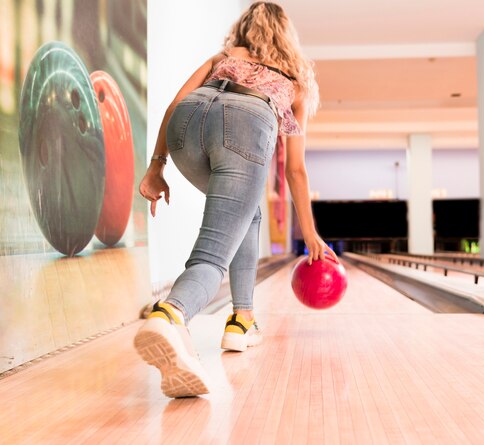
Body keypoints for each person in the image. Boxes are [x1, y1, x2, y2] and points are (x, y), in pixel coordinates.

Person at [133, 2, 337, 398]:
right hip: (245, 126)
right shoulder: (293, 81)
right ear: (286, 35)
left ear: (244, 29)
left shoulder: (225, 56)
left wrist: (156, 167)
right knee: (212, 256)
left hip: (187, 126)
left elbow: (176, 103)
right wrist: (310, 234)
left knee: (249, 214)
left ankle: (241, 320)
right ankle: (170, 313)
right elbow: (295, 170)